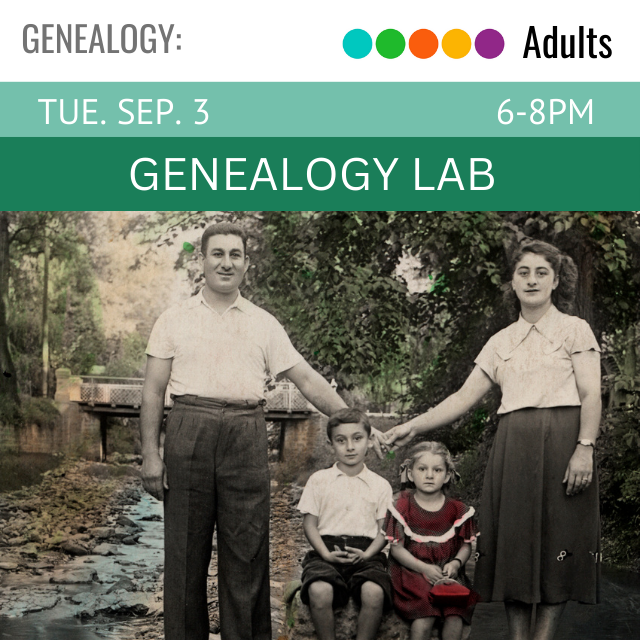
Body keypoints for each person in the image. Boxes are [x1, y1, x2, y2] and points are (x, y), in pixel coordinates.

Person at [140, 223, 384, 640]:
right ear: (202, 260)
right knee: (184, 556)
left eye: (235, 254)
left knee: (247, 554)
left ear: (247, 265)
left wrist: (354, 421)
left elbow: (306, 379)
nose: (226, 262)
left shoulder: (263, 323)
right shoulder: (173, 319)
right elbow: (152, 390)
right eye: (217, 253)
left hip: (245, 433)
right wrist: (151, 453)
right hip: (188, 431)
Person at [383, 239, 602, 640]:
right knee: (515, 547)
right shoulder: (500, 341)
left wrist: (584, 448)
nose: (532, 280)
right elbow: (462, 399)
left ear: (555, 281)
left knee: (560, 543)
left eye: (541, 273)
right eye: (524, 272)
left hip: (564, 445)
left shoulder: (575, 330)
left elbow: (591, 394)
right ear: (512, 282)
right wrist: (412, 426)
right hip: (514, 448)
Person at [297, 408, 393, 640]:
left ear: (369, 441)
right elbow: (310, 524)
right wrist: (326, 554)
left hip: (367, 553)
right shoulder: (319, 480)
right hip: (326, 552)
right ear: (331, 444)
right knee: (319, 590)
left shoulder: (380, 485)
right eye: (341, 440)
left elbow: (385, 529)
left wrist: (369, 554)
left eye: (357, 439)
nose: (350, 447)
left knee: (374, 592)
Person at [384, 441, 478, 640]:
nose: (429, 475)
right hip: (412, 572)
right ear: (410, 474)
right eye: (422, 469)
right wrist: (424, 568)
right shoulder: (402, 507)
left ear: (447, 476)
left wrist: (456, 562)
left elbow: (465, 546)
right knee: (425, 613)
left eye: (437, 470)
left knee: (455, 615)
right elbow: (396, 549)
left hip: (446, 571)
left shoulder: (458, 510)